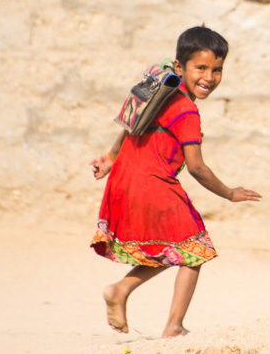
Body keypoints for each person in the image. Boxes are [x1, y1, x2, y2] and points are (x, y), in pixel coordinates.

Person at [89, 26, 261, 338]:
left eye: (217, 70)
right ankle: (173, 326)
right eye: (201, 68)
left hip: (125, 179)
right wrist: (229, 193)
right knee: (195, 250)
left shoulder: (160, 93)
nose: (209, 77)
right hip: (153, 183)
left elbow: (131, 124)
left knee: (174, 248)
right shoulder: (186, 110)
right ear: (180, 67)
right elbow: (196, 167)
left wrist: (110, 157)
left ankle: (121, 290)